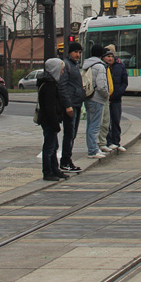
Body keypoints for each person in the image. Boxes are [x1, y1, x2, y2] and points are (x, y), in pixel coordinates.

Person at [36, 58, 69, 182]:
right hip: (49, 120)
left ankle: (54, 169)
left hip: (49, 120)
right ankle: (48, 171)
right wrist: (55, 123)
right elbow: (50, 107)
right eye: (61, 69)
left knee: (53, 145)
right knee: (49, 147)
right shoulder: (49, 85)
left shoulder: (50, 82)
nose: (62, 72)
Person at [57, 42, 85, 172]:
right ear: (69, 52)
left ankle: (68, 160)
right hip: (71, 105)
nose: (78, 55)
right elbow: (62, 86)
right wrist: (68, 105)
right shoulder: (66, 65)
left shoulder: (74, 65)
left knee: (72, 134)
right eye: (76, 52)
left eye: (79, 52)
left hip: (77, 103)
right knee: (69, 134)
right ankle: (65, 162)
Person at [81, 44, 110, 159]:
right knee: (95, 125)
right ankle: (93, 150)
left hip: (88, 97)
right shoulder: (100, 66)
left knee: (90, 124)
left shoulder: (86, 65)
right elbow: (102, 85)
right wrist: (106, 95)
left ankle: (91, 148)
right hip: (97, 98)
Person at [104, 45, 129, 152]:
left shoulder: (120, 65)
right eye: (108, 56)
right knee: (106, 122)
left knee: (116, 120)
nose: (110, 58)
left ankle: (116, 142)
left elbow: (124, 81)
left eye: (111, 56)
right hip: (105, 98)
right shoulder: (102, 67)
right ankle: (108, 142)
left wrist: (119, 92)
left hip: (116, 99)